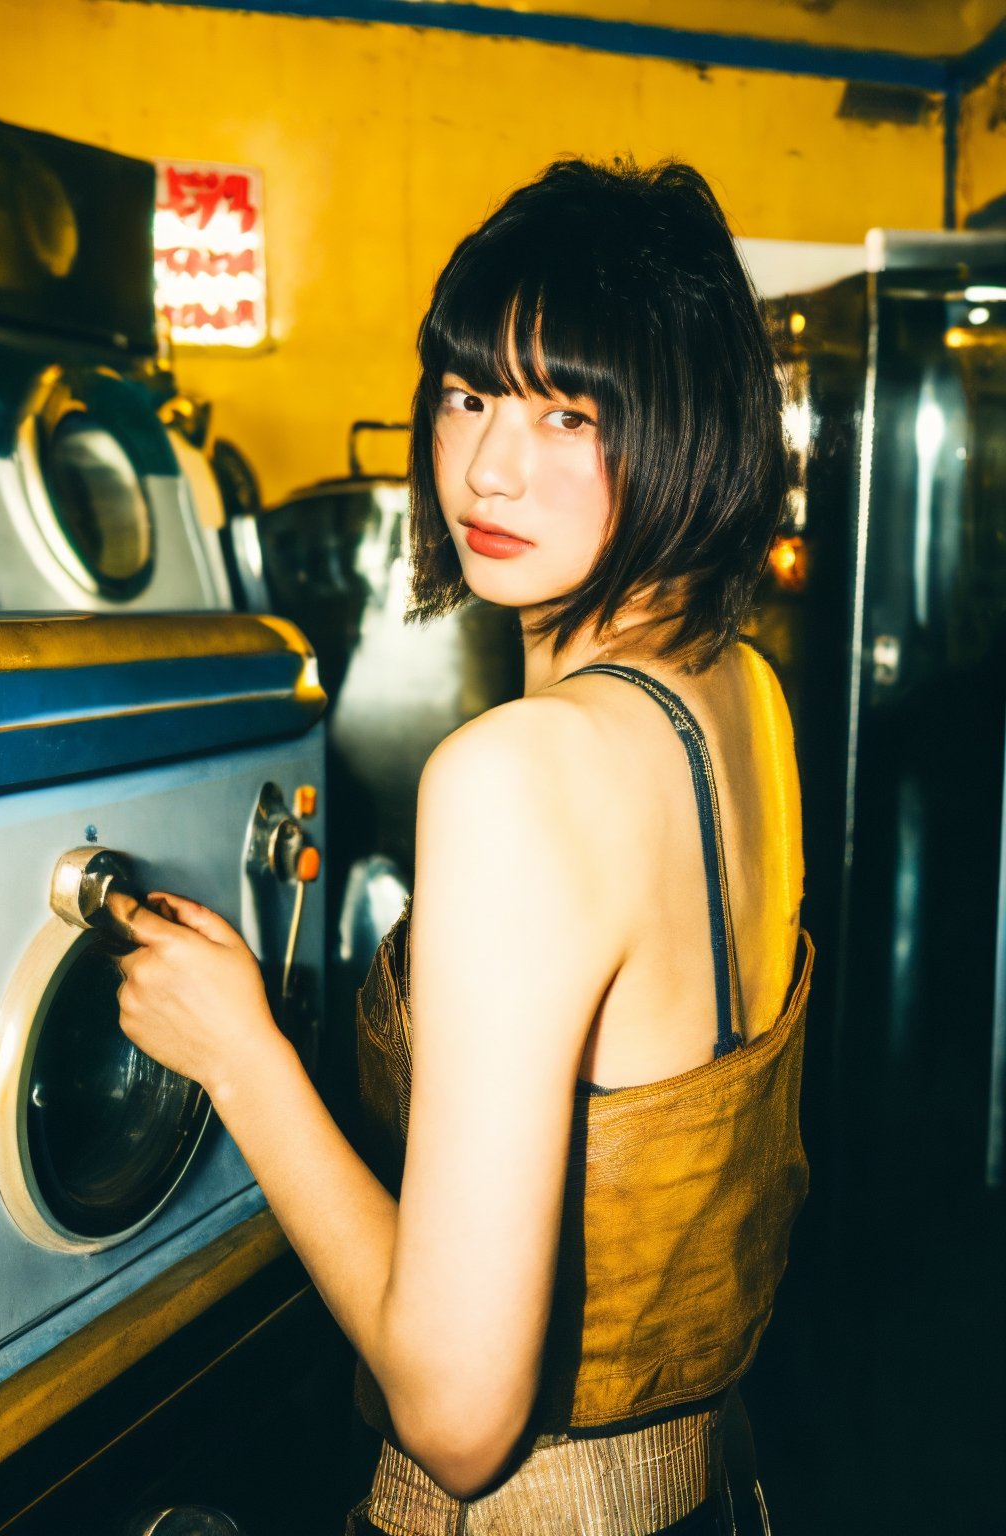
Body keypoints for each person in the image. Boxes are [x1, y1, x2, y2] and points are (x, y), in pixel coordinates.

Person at [115, 155, 811, 1536]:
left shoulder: (514, 777)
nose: (487, 465)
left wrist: (241, 1054)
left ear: (687, 430)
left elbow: (458, 1415)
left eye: (569, 412)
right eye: (468, 393)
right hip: (708, 1485)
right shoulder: (746, 695)